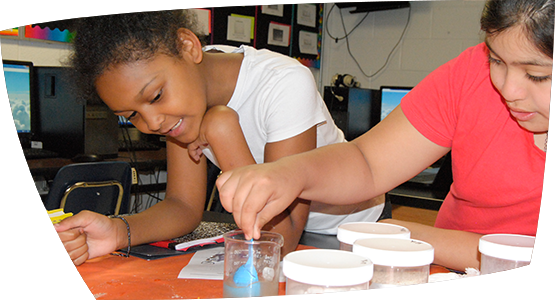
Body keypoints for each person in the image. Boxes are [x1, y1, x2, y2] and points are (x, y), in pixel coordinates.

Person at [217, 0, 555, 282]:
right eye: (496, 60)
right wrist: (291, 173)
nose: (509, 90)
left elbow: (547, 271)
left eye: (537, 75)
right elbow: (367, 162)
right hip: (448, 279)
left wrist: (413, 236)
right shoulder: (470, 74)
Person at [50, 0, 386, 265]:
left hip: (354, 231)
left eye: (154, 97)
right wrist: (119, 230)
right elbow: (183, 205)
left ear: (188, 46)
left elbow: (282, 240)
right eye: (132, 115)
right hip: (285, 233)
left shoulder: (284, 83)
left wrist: (222, 129)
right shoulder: (179, 104)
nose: (152, 123)